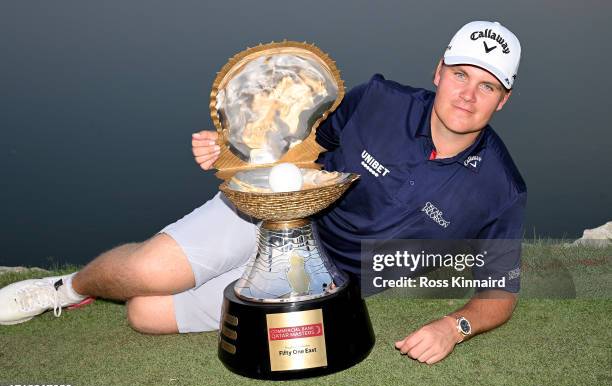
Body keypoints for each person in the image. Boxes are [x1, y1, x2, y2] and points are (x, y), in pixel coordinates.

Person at [0, 21, 525, 365]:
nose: (467, 94)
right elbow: (298, 140)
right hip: (270, 206)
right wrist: (233, 149)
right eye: (460, 75)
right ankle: (64, 290)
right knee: (146, 274)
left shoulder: (500, 189)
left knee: (144, 314)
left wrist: (453, 326)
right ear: (439, 72)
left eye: (487, 86)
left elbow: (499, 294)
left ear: (503, 100)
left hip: (322, 278)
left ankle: (109, 290)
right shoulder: (381, 99)